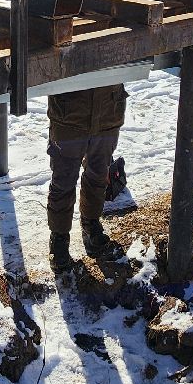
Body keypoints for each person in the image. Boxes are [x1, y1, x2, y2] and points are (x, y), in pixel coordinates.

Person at [45, 82, 127, 271]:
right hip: (70, 113)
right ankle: (59, 237)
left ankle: (91, 223)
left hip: (108, 111)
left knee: (99, 174)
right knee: (63, 180)